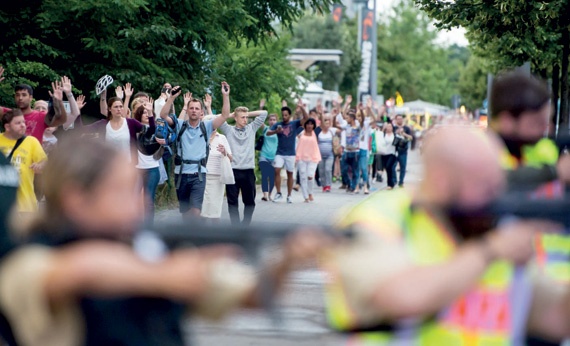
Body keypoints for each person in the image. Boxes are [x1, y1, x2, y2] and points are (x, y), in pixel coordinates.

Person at [0, 136, 327, 346]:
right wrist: (164, 274)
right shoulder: (29, 256)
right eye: (121, 191)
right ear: (76, 198)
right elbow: (79, 270)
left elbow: (252, 297)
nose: (139, 202)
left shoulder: (145, 249)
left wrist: (287, 260)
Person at [324, 126, 570, 345]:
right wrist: (489, 251)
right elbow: (401, 297)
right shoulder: (379, 218)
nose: (495, 199)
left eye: (498, 186)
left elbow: (557, 320)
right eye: (484, 188)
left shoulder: (490, 232)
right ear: (442, 182)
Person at [160, 83, 230, 218]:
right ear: (187, 110)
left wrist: (225, 96)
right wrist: (171, 98)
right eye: (191, 108)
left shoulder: (207, 126)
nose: (193, 110)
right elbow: (163, 115)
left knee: (196, 210)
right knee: (185, 213)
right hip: (181, 174)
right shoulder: (180, 125)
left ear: (201, 112)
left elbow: (225, 116)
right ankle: (188, 236)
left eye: (197, 108)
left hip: (199, 174)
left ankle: (194, 235)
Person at [219, 100, 267, 225]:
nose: (245, 120)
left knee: (250, 201)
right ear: (235, 118)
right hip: (233, 170)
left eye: (246, 117)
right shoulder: (229, 130)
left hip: (248, 171)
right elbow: (218, 119)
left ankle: (245, 225)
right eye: (242, 117)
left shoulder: (252, 128)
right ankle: (236, 227)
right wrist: (231, 114)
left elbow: (264, 113)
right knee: (232, 201)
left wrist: (247, 113)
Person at [0, 110, 47, 215]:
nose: (23, 125)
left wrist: (40, 166)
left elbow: (45, 162)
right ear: (7, 127)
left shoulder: (31, 141)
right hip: (2, 205)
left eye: (23, 122)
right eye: (18, 123)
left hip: (25, 206)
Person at [0, 78, 69, 144]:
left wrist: (59, 102)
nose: (20, 98)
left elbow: (61, 120)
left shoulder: (40, 116)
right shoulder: (9, 114)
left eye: (24, 95)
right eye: (17, 95)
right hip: (12, 154)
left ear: (30, 97)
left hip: (34, 155)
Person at [82, 97, 147, 164]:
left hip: (128, 165)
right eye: (116, 107)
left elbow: (150, 131)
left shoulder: (131, 123)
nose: (119, 109)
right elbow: (82, 129)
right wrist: (77, 112)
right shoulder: (104, 124)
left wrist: (150, 113)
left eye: (121, 107)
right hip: (109, 166)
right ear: (110, 109)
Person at [267, 100, 309, 204]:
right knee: (276, 170)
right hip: (280, 153)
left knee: (290, 173)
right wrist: (276, 131)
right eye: (283, 115)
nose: (284, 117)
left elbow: (306, 119)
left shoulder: (294, 124)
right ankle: (278, 193)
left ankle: (289, 195)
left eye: (286, 115)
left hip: (290, 153)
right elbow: (268, 133)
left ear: (289, 115)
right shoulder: (278, 124)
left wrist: (302, 108)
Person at [132, 101, 162, 225]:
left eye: (147, 113)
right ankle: (134, 225)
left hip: (152, 169)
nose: (145, 114)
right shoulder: (134, 129)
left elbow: (152, 127)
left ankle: (148, 228)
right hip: (137, 170)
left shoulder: (153, 129)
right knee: (134, 198)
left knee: (148, 200)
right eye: (143, 112)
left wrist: (150, 112)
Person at [201, 130, 232, 221]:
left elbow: (231, 158)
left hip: (217, 176)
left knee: (215, 207)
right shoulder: (200, 136)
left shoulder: (221, 137)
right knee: (203, 207)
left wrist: (224, 152)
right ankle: (199, 232)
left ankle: (216, 233)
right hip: (201, 176)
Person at [296, 118, 321, 203]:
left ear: (313, 125)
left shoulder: (315, 132)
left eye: (311, 124)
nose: (309, 126)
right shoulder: (301, 133)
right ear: (305, 125)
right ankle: (305, 196)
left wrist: (321, 114)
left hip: (313, 158)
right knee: (303, 177)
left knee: (310, 176)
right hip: (302, 158)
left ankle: (310, 193)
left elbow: (323, 125)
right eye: (308, 124)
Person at [259, 113, 278, 201]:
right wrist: (261, 108)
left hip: (274, 157)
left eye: (274, 120)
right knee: (264, 175)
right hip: (264, 155)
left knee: (272, 177)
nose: (272, 121)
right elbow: (260, 120)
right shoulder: (266, 129)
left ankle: (270, 194)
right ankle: (265, 195)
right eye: (270, 120)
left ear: (277, 121)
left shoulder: (279, 130)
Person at [315, 114, 337, 192]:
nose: (327, 125)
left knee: (328, 169)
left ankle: (328, 185)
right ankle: (324, 185)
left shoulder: (332, 131)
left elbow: (340, 129)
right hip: (320, 155)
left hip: (330, 155)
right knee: (321, 171)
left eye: (328, 123)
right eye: (325, 123)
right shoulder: (319, 132)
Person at [393, 114, 413, 187]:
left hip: (403, 150)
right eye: (398, 119)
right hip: (394, 150)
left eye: (401, 119)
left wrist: (404, 134)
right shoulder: (393, 128)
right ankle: (394, 180)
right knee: (392, 166)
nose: (400, 120)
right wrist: (396, 132)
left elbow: (411, 137)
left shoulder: (406, 128)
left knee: (403, 167)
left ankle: (401, 182)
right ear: (396, 120)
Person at [376, 122, 397, 190]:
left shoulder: (394, 135)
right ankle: (391, 183)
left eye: (390, 126)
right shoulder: (383, 135)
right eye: (387, 127)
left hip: (392, 153)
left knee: (389, 166)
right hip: (384, 153)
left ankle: (390, 183)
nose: (389, 128)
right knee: (387, 169)